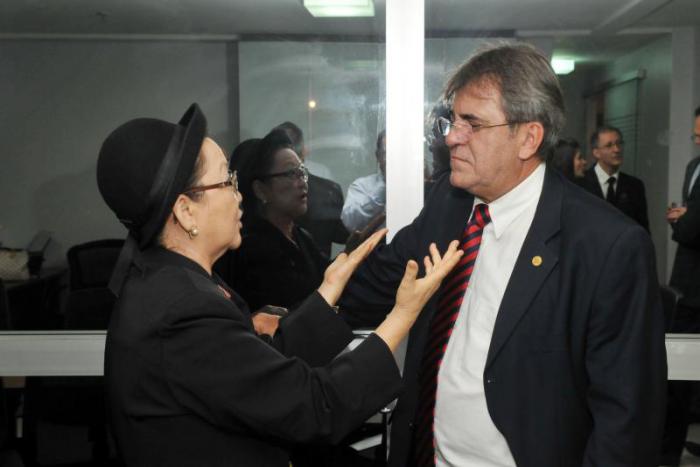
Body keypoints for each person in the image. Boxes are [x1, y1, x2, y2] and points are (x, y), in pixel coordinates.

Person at [339, 43, 666, 467]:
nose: (452, 137)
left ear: (528, 138)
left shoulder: (607, 245)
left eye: (472, 124)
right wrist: (293, 321)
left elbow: (626, 423)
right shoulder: (447, 205)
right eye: (453, 121)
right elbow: (371, 288)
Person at [96, 104, 463, 467]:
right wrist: (403, 314)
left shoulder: (175, 278)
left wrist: (327, 292)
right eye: (226, 181)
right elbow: (314, 408)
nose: (239, 195)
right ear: (185, 210)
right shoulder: (182, 308)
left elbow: (260, 370)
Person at [230, 129, 328, 311]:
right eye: (291, 174)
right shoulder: (252, 249)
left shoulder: (300, 235)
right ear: (261, 190)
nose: (303, 182)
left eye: (302, 172)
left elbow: (325, 277)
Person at [661, 105, 700, 465]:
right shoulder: (693, 167)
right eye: (696, 135)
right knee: (678, 369)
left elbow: (692, 228)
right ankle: (670, 449)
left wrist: (684, 222)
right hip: (686, 283)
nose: (698, 141)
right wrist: (684, 219)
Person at [275, 121, 349, 257]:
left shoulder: (268, 192)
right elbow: (341, 235)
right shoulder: (330, 190)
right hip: (321, 268)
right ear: (304, 151)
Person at [580, 126, 650, 230]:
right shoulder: (580, 183)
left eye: (619, 143)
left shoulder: (635, 186)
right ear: (596, 152)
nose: (617, 149)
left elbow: (642, 230)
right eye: (609, 145)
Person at [341, 131, 387, 233]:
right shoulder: (362, 186)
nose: (392, 159)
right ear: (378, 156)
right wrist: (382, 190)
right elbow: (351, 223)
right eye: (386, 153)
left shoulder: (417, 186)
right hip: (376, 243)